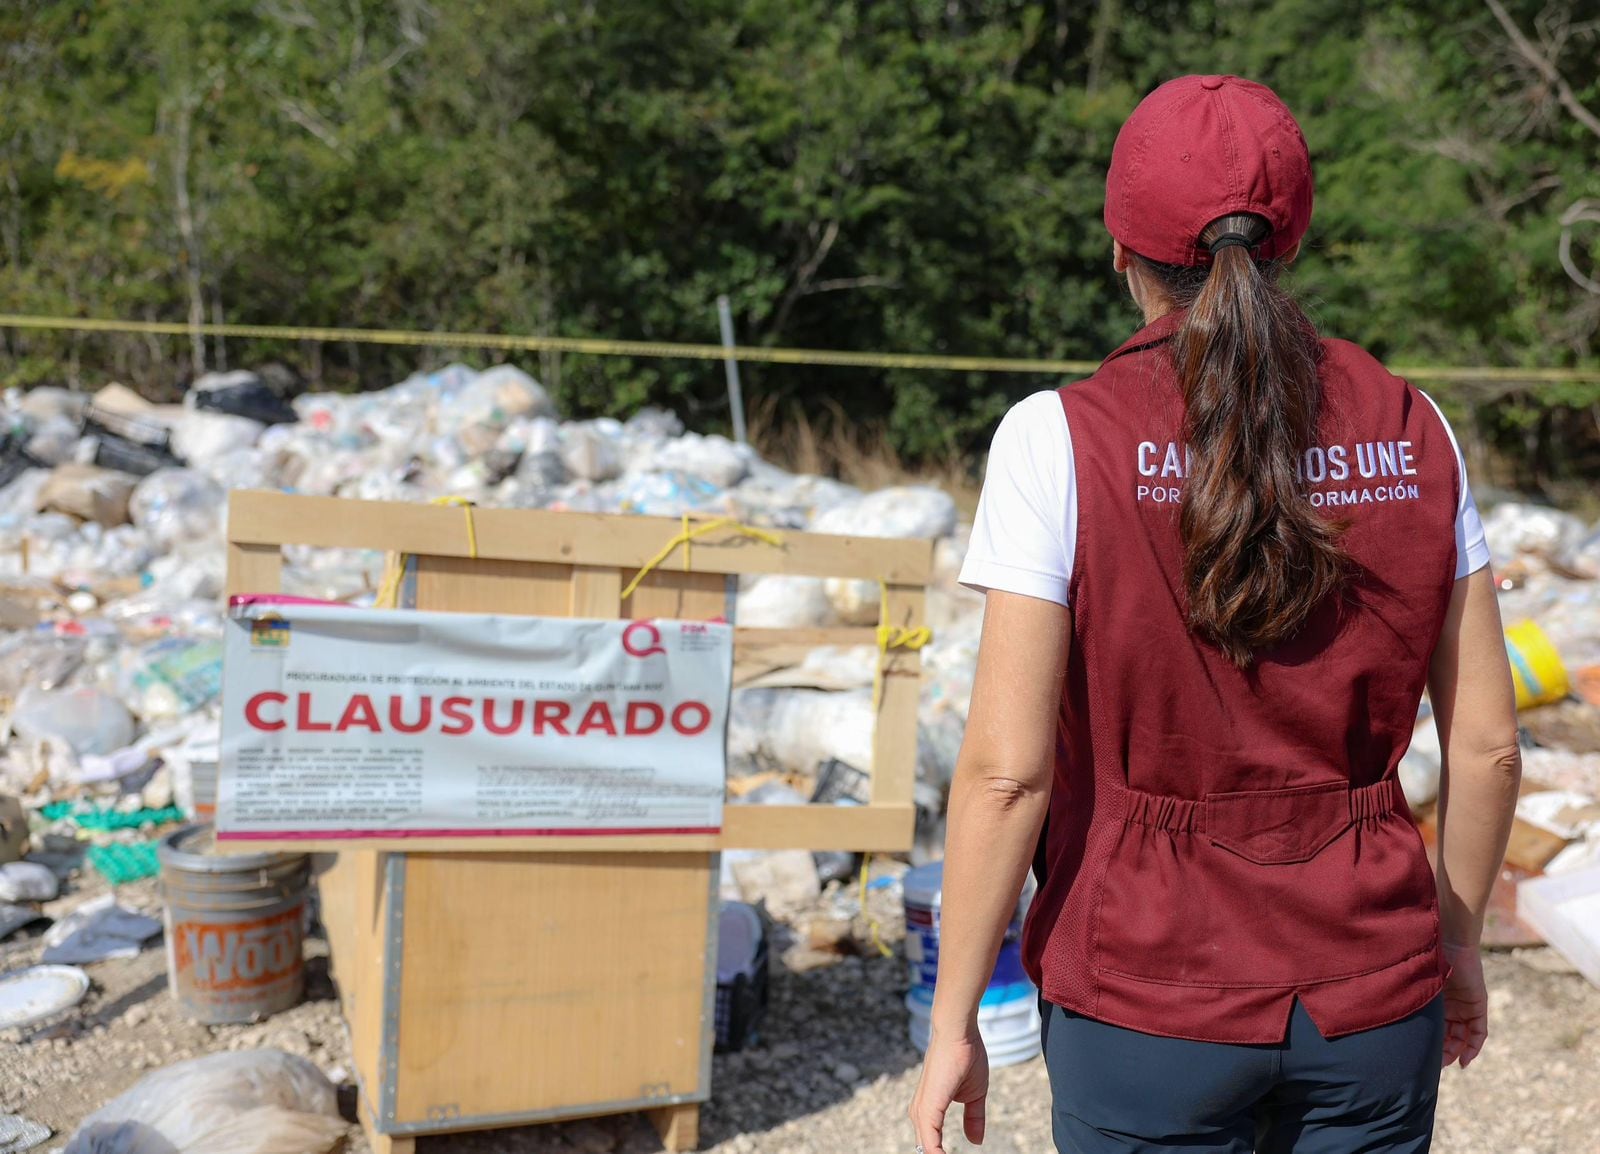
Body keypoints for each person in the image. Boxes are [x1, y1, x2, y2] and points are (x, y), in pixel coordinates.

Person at [908, 74, 1521, 1154]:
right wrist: (1455, 943)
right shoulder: (1416, 426)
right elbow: (1487, 749)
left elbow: (1007, 773)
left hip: (1145, 993)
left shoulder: (1056, 439)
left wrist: (951, 1017)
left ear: (1119, 251)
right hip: (1370, 994)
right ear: (1293, 239)